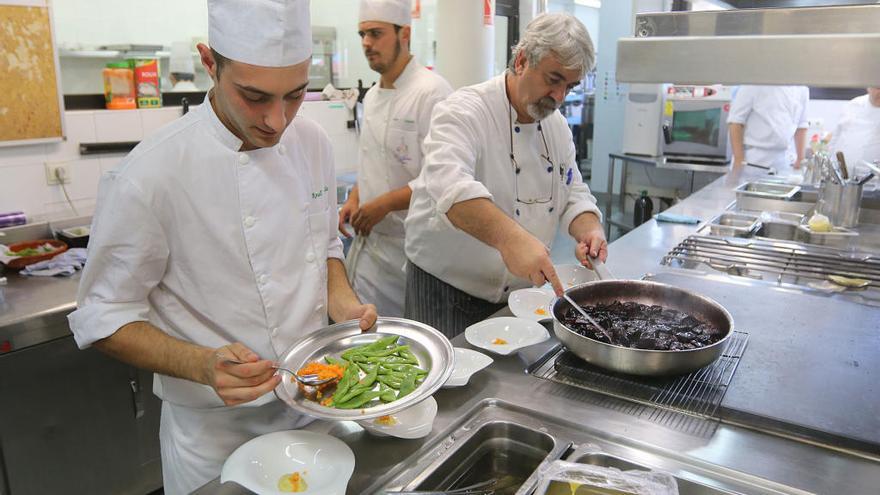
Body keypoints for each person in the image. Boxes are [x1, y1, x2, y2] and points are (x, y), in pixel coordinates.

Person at [67, 1, 377, 492]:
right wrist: (200, 364)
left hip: (316, 409)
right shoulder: (149, 176)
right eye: (254, 97)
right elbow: (101, 316)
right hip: (213, 438)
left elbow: (324, 245)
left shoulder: (312, 142)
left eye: (295, 95)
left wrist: (341, 300)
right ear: (210, 63)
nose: (277, 121)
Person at [403, 13, 606, 338]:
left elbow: (574, 191)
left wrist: (589, 229)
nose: (559, 97)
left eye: (570, 86)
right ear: (522, 60)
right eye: (553, 79)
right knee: (442, 385)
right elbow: (452, 191)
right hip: (447, 290)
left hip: (519, 298)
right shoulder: (462, 111)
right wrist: (511, 239)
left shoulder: (556, 127)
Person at [338, 0, 452, 317]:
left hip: (413, 250)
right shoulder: (372, 96)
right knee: (365, 337)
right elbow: (373, 159)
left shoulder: (433, 93)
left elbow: (440, 179)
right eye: (362, 34)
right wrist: (357, 197)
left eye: (376, 33)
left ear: (405, 33)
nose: (366, 43)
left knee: (407, 345)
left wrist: (384, 204)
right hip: (371, 247)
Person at [727, 85, 810, 170]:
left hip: (783, 160)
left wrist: (800, 158)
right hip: (753, 160)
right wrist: (739, 159)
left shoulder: (801, 88)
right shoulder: (753, 84)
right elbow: (735, 122)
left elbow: (801, 125)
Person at [827, 87, 880, 179]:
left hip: (875, 182)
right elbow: (836, 138)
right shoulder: (854, 105)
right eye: (878, 88)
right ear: (868, 87)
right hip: (844, 179)